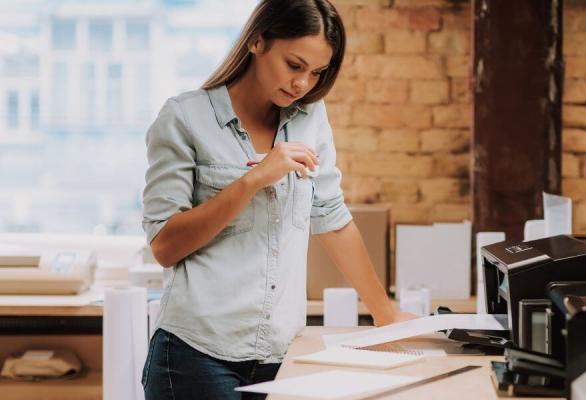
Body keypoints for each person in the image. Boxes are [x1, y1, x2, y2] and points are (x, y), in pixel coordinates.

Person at [141, 1, 416, 398]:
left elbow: (331, 217)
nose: (303, 83)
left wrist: (385, 313)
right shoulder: (185, 118)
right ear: (257, 41)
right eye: (294, 65)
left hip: (282, 353)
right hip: (195, 355)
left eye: (317, 72)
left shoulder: (309, 118)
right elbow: (165, 246)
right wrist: (254, 179)